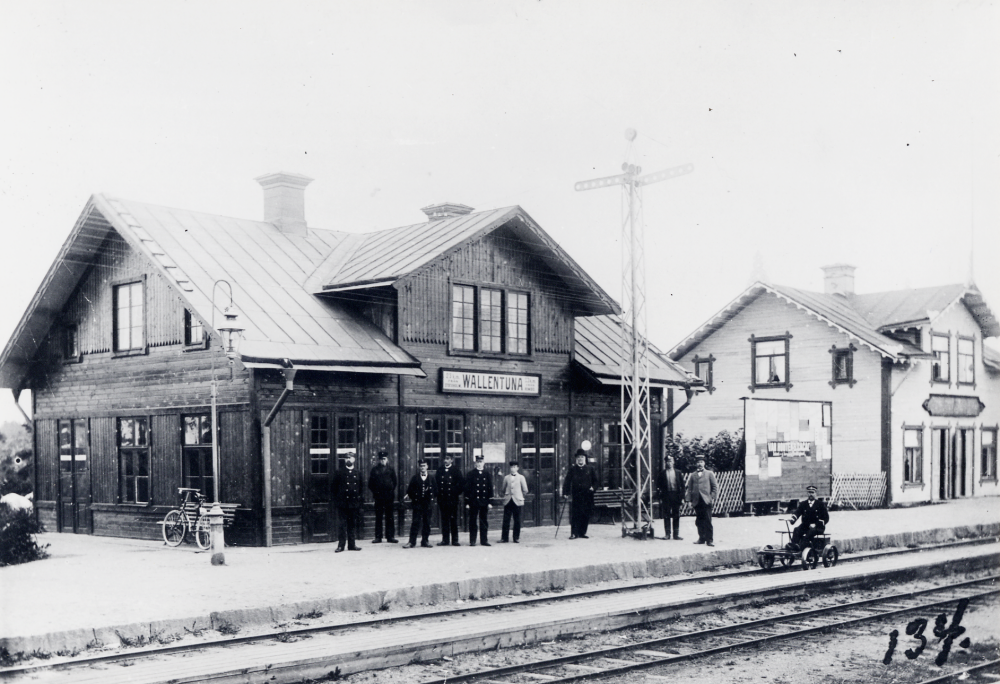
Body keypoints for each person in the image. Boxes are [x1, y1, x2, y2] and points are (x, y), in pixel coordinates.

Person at [331, 452, 364, 552]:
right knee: (342, 525)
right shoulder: (339, 472)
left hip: (353, 503)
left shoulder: (358, 473)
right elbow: (333, 488)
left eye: (350, 458)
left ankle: (352, 545)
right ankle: (341, 545)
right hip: (343, 503)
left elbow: (361, 489)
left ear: (354, 459)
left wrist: (359, 502)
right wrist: (337, 501)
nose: (348, 460)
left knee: (352, 524)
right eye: (346, 458)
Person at [562, 448, 598, 539]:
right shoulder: (573, 469)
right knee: (575, 514)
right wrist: (565, 492)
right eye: (578, 457)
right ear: (576, 459)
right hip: (577, 496)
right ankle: (574, 533)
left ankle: (582, 532)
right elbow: (567, 481)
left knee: (585, 514)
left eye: (582, 457)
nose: (580, 459)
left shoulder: (590, 469)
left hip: (587, 496)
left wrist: (593, 488)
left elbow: (596, 481)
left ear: (585, 458)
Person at [685, 454, 717, 547]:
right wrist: (689, 501)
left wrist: (712, 498)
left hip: (706, 501)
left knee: (708, 520)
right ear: (696, 463)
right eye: (698, 462)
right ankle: (701, 538)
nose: (700, 464)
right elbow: (689, 488)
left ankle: (709, 540)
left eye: (701, 462)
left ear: (704, 463)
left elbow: (715, 487)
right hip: (697, 501)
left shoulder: (709, 473)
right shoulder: (692, 475)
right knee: (699, 521)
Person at [368, 450, 398, 544]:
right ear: (379, 460)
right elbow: (370, 484)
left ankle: (390, 537)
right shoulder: (374, 470)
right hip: (379, 497)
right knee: (379, 517)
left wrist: (390, 490)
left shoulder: (391, 469)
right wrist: (376, 492)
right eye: (381, 459)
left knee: (390, 517)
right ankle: (378, 537)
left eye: (384, 459)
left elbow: (395, 482)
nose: (383, 461)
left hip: (389, 497)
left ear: (387, 459)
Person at [404, 459, 435, 548]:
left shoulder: (432, 478)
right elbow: (409, 491)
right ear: (419, 467)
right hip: (417, 504)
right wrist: (415, 498)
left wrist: (430, 497)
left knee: (427, 523)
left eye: (424, 466)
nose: (422, 467)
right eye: (421, 466)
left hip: (427, 504)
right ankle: (411, 542)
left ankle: (425, 541)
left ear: (427, 467)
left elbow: (436, 490)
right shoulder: (415, 478)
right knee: (415, 522)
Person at [435, 453, 466, 546]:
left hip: (452, 499)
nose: (446, 460)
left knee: (453, 520)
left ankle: (455, 540)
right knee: (444, 520)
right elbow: (436, 484)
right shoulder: (440, 470)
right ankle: (445, 540)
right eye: (445, 458)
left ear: (452, 460)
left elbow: (461, 485)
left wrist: (454, 492)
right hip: (443, 499)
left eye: (448, 459)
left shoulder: (456, 470)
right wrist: (439, 495)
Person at [788, 485, 829, 551]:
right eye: (809, 492)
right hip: (805, 526)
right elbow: (797, 512)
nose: (811, 494)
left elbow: (826, 518)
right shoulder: (803, 504)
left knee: (809, 533)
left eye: (812, 492)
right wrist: (793, 519)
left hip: (817, 527)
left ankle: (802, 548)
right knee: (796, 530)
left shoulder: (820, 504)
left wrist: (816, 524)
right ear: (807, 493)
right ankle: (794, 546)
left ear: (816, 494)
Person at [465, 454, 493, 546]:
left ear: (484, 463)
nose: (479, 464)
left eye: (481, 462)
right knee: (472, 521)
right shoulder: (470, 474)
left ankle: (484, 540)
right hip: (474, 502)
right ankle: (472, 540)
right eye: (478, 462)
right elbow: (467, 489)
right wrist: (467, 502)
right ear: (475, 463)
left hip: (484, 501)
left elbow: (490, 489)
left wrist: (489, 502)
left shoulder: (487, 474)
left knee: (484, 521)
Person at [655, 454, 684, 540]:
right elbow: (658, 487)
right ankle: (667, 534)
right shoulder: (662, 473)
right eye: (667, 461)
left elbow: (682, 486)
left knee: (676, 515)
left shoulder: (678, 473)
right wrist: (659, 498)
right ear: (665, 463)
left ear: (673, 462)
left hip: (676, 496)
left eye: (670, 461)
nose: (669, 463)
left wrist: (682, 498)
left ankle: (676, 534)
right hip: (666, 496)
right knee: (666, 515)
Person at [500, 461, 528, 543]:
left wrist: (519, 496)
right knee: (506, 520)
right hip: (508, 501)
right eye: (511, 467)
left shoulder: (521, 477)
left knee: (517, 520)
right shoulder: (506, 477)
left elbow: (525, 490)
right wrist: (507, 495)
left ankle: (516, 537)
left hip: (517, 501)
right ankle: (504, 538)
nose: (513, 469)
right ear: (510, 468)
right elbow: (503, 489)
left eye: (515, 467)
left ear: (517, 468)